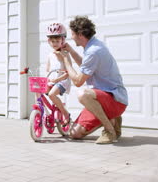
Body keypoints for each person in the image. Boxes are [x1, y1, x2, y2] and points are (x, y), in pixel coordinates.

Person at [54, 16, 128, 144]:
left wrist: (66, 60)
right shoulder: (93, 46)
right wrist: (70, 51)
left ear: (80, 34)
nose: (71, 37)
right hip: (102, 98)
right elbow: (85, 66)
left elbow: (78, 82)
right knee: (74, 133)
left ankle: (110, 130)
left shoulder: (94, 51)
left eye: (72, 34)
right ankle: (112, 119)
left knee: (83, 94)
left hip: (114, 100)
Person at [44, 22, 71, 126]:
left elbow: (68, 73)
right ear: (49, 41)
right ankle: (45, 113)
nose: (55, 43)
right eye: (52, 41)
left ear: (63, 40)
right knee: (39, 90)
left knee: (51, 94)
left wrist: (57, 80)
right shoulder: (50, 55)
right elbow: (47, 70)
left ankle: (66, 114)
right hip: (53, 81)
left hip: (63, 81)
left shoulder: (65, 54)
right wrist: (46, 79)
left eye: (57, 41)